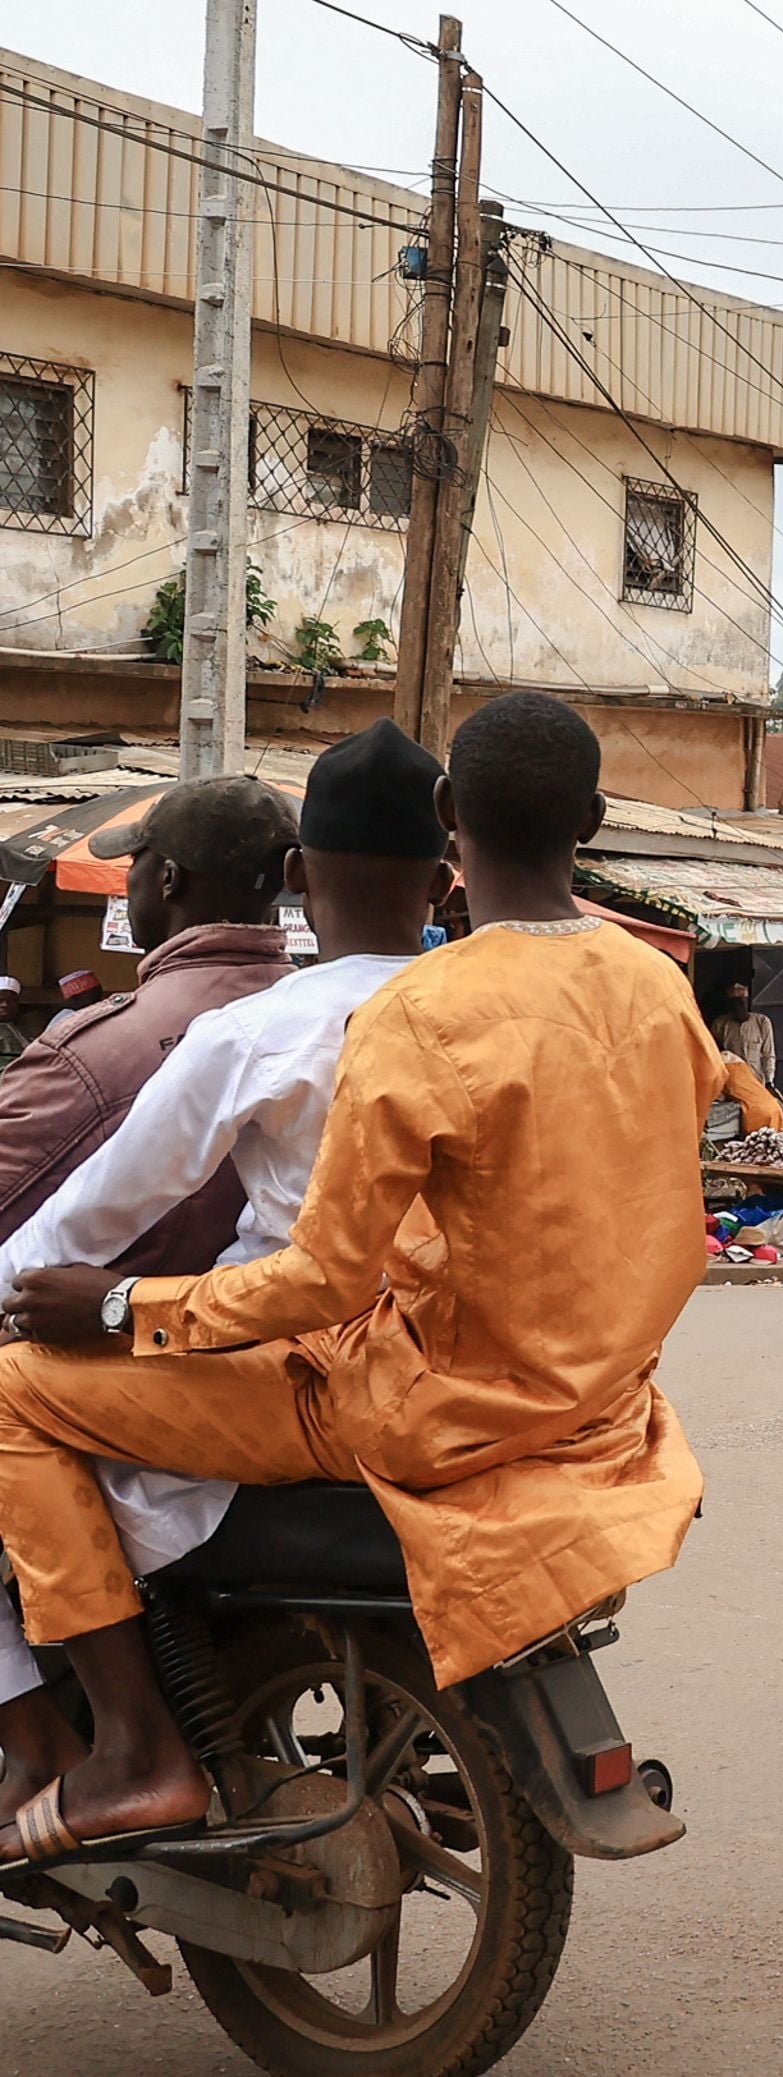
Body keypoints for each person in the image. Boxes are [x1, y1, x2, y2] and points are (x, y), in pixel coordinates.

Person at [0, 692, 716, 1867]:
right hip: (602, 1405)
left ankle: (131, 1747)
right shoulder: (655, 989)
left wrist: (126, 1305)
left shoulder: (419, 1013)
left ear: (453, 819)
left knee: (15, 1389)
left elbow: (323, 1279)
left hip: (409, 1399)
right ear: (592, 817)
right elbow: (655, 1226)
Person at [0, 721, 452, 1808]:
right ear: (443, 879)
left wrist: (40, 1292)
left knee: (9, 1396)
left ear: (303, 877)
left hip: (299, 1369)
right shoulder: (497, 1009)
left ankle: (126, 1749)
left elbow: (86, 1221)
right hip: (480, 1368)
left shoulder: (256, 1031)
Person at [0, 780, 298, 1262]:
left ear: (168, 879)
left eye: (135, 860)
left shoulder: (93, 1055)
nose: (128, 878)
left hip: (111, 1329)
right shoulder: (327, 1021)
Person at [711, 978, 777, 1085]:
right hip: (733, 1084)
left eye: (740, 1004)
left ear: (747, 1003)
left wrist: (769, 1081)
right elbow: (714, 1056)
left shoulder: (762, 1022)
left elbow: (768, 1055)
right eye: (734, 1005)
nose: (738, 1008)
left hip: (757, 1083)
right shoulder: (720, 1025)